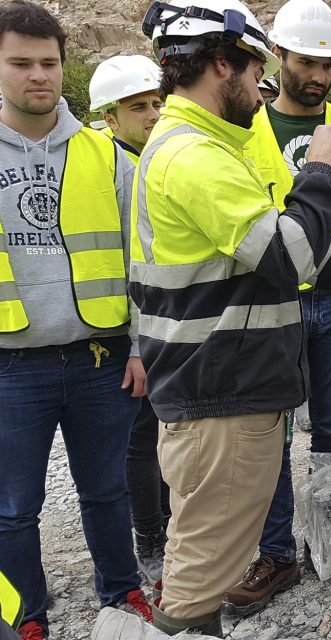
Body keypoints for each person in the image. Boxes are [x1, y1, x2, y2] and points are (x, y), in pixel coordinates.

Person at [136, 0, 331, 635]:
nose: (260, 86)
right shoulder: (195, 156)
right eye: (255, 71)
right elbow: (289, 255)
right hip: (219, 390)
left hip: (222, 384)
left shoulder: (212, 145)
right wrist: (320, 168)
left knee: (206, 557)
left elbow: (289, 250)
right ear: (223, 64)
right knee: (202, 572)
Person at [222, 0, 331, 617]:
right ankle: (277, 554)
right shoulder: (249, 128)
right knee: (271, 434)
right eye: (306, 62)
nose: (318, 75)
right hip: (275, 302)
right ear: (278, 58)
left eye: (328, 64)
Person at [0, 2, 153, 639]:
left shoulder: (107, 157)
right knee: (13, 510)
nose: (38, 75)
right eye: (21, 63)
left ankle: (122, 592)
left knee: (107, 491)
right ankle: (24, 617)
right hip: (10, 367)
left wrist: (140, 348)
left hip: (100, 359)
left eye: (49, 62)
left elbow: (141, 258)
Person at [89, 52, 170, 587]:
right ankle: (151, 540)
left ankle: (169, 529)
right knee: (142, 439)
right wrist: (137, 343)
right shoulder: (112, 166)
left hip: (167, 322)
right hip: (133, 330)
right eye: (137, 107)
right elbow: (129, 261)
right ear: (111, 118)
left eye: (156, 103)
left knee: (167, 431)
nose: (153, 114)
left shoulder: (158, 160)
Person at [89, 55, 164, 162]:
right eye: (139, 108)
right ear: (111, 121)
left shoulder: (170, 152)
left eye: (157, 105)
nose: (155, 116)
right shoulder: (107, 166)